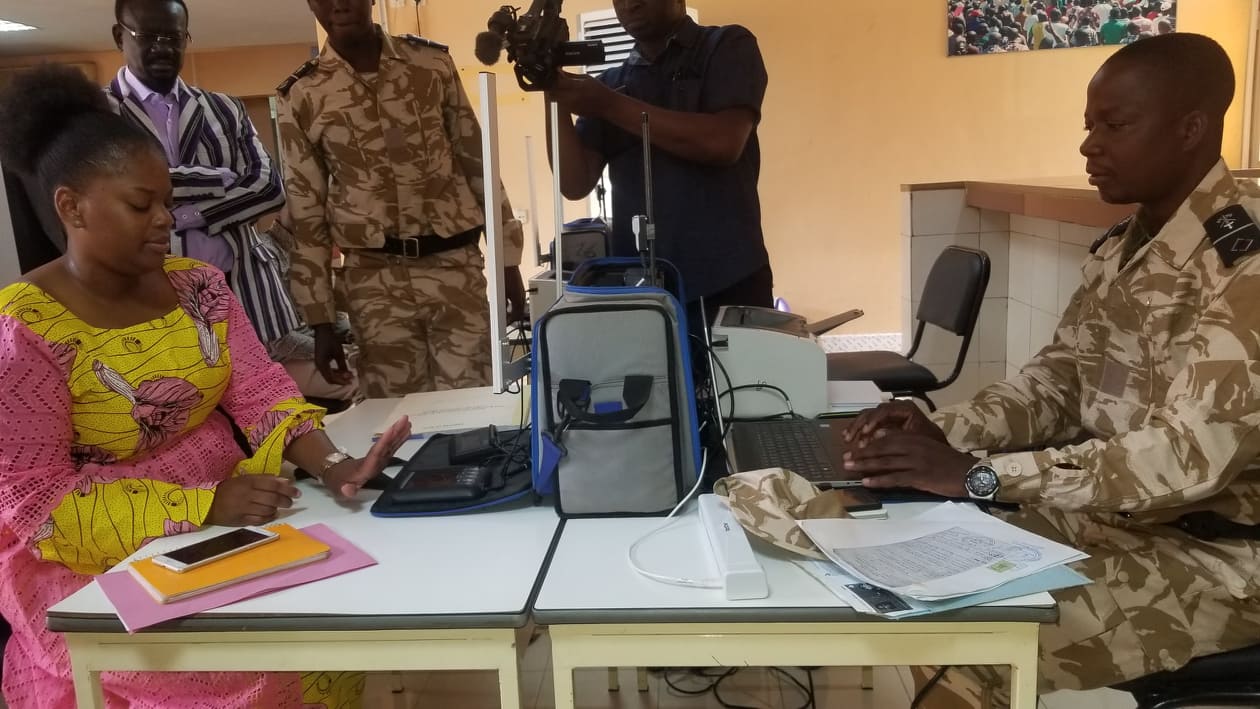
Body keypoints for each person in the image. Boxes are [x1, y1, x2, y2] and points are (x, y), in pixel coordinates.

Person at [844, 33, 1260, 708]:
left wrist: (984, 475)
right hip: (1113, 522)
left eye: (1115, 125)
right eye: (1089, 125)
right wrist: (940, 430)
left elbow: (1186, 459)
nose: (1089, 146)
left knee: (975, 643)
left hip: (1220, 558)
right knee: (908, 572)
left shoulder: (1245, 268)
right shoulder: (1122, 249)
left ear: (1191, 128)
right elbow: (1059, 381)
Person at [0, 63, 411, 709]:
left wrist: (336, 464)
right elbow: (36, 503)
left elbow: (261, 394)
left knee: (334, 625)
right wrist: (201, 506)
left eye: (167, 200)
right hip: (91, 558)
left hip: (230, 522)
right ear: (70, 205)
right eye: (142, 204)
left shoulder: (198, 286)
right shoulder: (25, 329)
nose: (166, 219)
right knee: (253, 670)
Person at [276, 0, 526, 399]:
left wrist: (507, 260)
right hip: (374, 283)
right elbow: (307, 214)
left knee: (474, 407)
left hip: (454, 270)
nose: (340, 4)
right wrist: (320, 321)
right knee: (397, 420)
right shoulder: (302, 94)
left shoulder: (431, 66)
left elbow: (477, 162)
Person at [549, 0, 774, 324]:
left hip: (730, 278)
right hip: (643, 290)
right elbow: (574, 182)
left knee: (746, 377)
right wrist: (551, 89)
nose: (629, 3)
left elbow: (722, 142)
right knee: (652, 378)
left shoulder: (727, 46)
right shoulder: (611, 83)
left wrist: (609, 105)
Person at [107, 0, 304, 358]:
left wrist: (187, 214)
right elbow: (112, 190)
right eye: (149, 36)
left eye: (174, 36)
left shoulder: (225, 109)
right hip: (149, 295)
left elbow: (268, 187)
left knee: (259, 405)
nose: (163, 47)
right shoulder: (98, 114)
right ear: (120, 36)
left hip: (240, 289)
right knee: (177, 402)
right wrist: (219, 179)